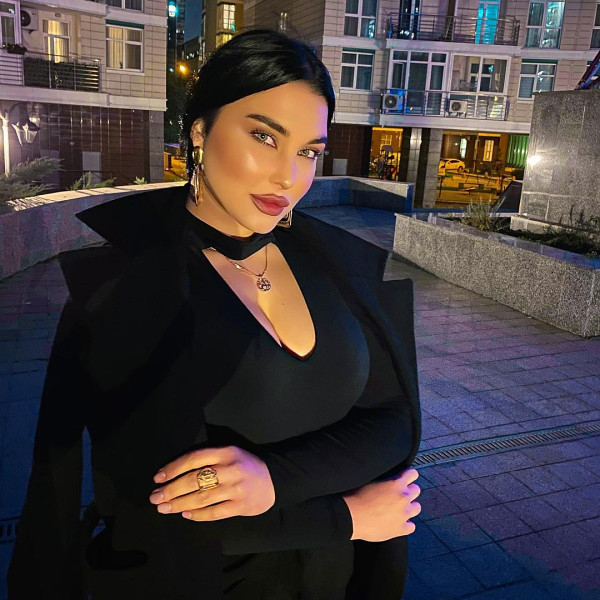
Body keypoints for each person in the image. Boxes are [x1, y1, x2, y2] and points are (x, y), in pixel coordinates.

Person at [8, 29, 421, 599]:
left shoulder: (336, 264)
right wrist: (345, 516)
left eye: (308, 151)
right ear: (200, 132)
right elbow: (145, 509)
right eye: (264, 136)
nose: (289, 176)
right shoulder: (128, 288)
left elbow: (396, 419)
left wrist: (274, 480)